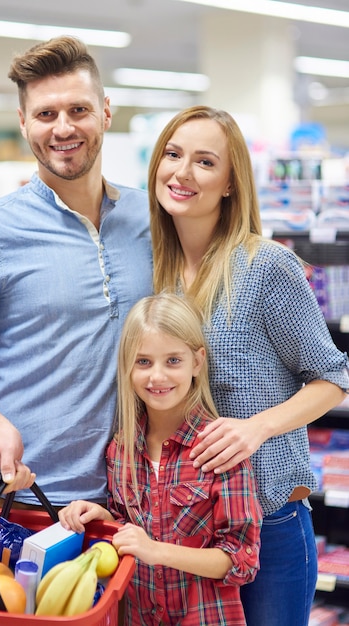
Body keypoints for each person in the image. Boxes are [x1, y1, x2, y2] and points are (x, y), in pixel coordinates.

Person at [0, 36, 153, 505]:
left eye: (79, 110)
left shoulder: (150, 219)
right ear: (23, 121)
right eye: (46, 114)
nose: (63, 128)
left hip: (145, 498)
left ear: (106, 112)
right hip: (33, 497)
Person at [147, 105, 349, 626]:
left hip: (268, 524)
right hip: (180, 527)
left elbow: (333, 377)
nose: (182, 172)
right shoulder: (152, 273)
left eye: (205, 162)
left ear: (231, 183)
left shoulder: (266, 266)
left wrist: (256, 428)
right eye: (173, 154)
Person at [59, 292, 262, 626]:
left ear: (197, 362)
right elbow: (132, 531)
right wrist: (104, 518)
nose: (157, 377)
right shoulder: (121, 450)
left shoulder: (219, 448)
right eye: (143, 362)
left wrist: (156, 551)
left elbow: (242, 559)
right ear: (127, 366)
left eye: (173, 361)